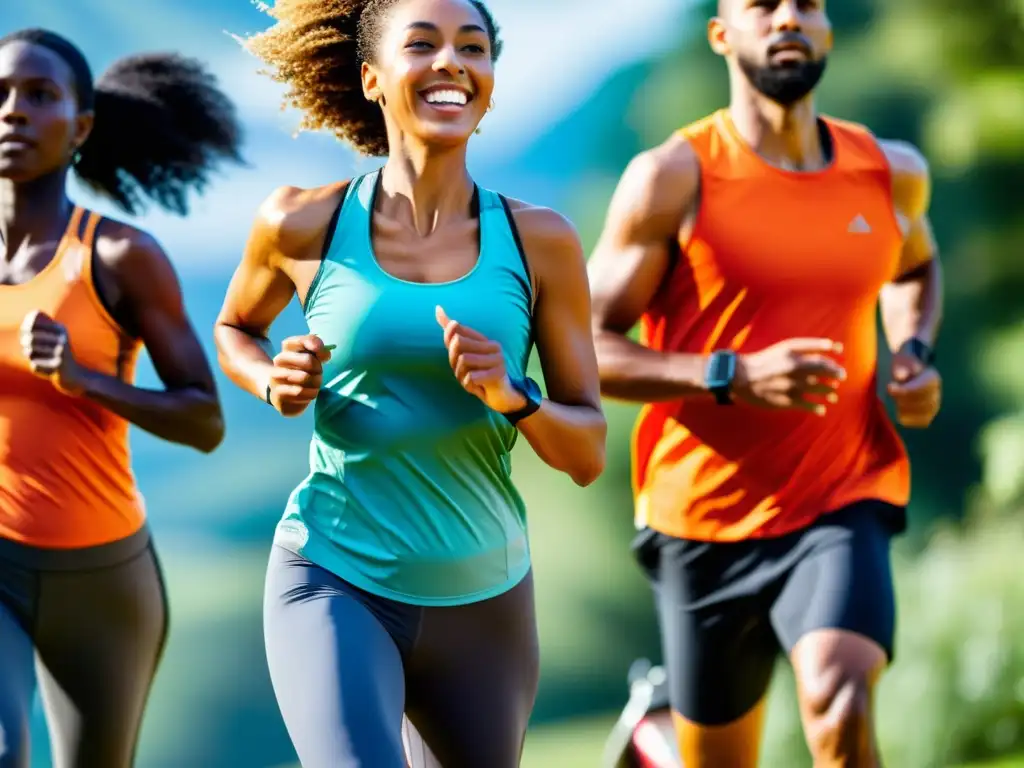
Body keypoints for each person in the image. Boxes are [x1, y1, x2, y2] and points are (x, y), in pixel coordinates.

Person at [213, 0, 606, 766]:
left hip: (485, 603)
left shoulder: (541, 242)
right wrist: (273, 380)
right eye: (421, 44)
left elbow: (588, 450)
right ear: (372, 78)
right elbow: (235, 330)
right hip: (335, 578)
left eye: (472, 47)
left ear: (489, 80)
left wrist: (514, 396)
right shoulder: (303, 224)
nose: (451, 62)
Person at [588, 0, 943, 765]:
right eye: (761, 5)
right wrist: (729, 374)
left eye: (806, 4)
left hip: (843, 494)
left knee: (839, 701)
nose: (788, 17)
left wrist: (912, 347)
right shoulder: (671, 178)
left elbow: (914, 265)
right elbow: (583, 348)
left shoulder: (889, 173)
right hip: (702, 518)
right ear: (722, 35)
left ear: (826, 31)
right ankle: (658, 735)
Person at [0, 28, 241, 768]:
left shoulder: (118, 257)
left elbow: (205, 420)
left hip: (102, 581)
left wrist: (87, 380)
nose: (12, 113)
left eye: (38, 96)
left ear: (81, 127)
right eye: (1, 96)